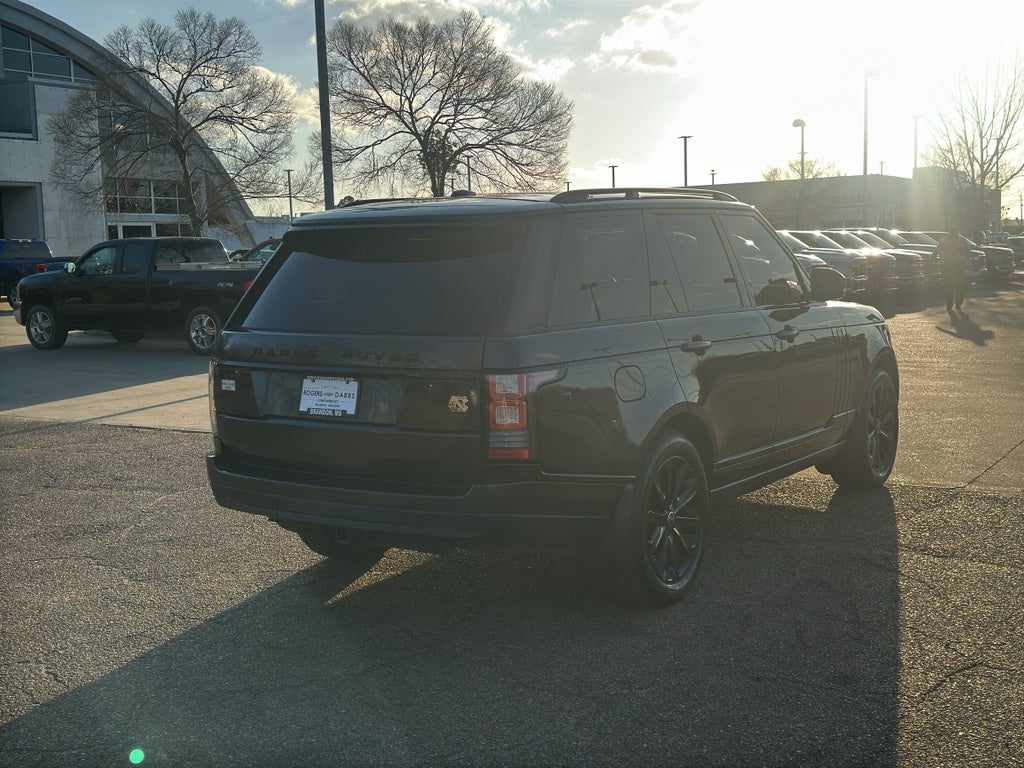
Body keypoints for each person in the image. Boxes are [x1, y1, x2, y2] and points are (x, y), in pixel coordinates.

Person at [934, 227, 971, 311]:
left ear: (957, 233)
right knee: (949, 286)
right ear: (949, 233)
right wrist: (932, 260)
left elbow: (968, 252)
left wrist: (964, 255)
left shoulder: (962, 240)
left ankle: (958, 304)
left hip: (958, 265)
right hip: (948, 265)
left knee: (959, 286)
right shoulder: (944, 240)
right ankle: (949, 305)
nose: (953, 236)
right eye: (951, 234)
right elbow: (937, 250)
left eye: (955, 234)